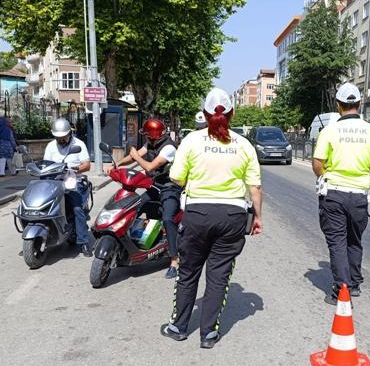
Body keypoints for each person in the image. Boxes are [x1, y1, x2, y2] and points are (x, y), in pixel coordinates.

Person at [161, 88, 263, 349]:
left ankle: (179, 326)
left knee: (188, 272)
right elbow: (255, 188)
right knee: (218, 277)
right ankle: (208, 333)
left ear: (206, 114)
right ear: (232, 113)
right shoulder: (244, 145)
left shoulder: (192, 141)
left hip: (197, 215)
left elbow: (177, 178)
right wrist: (258, 217)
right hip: (232, 217)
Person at [312, 83, 370, 305]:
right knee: (354, 239)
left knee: (337, 242)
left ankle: (341, 291)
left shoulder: (329, 131)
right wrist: (360, 176)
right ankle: (355, 283)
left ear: (338, 105)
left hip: (334, 193)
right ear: (359, 104)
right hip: (360, 194)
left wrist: (327, 176)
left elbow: (317, 163)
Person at [113, 119, 181, 278]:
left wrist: (136, 156)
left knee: (168, 218)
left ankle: (174, 260)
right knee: (133, 206)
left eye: (146, 135)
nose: (145, 138)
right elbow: (133, 157)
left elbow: (150, 166)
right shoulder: (150, 143)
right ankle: (126, 245)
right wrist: (118, 165)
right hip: (154, 185)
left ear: (153, 136)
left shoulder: (169, 147)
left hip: (170, 187)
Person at [44, 117, 93, 256]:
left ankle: (83, 242)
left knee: (77, 209)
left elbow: (87, 165)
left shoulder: (79, 144)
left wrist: (74, 169)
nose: (61, 140)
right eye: (58, 137)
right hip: (55, 182)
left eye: (63, 137)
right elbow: (46, 164)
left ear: (69, 134)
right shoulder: (50, 146)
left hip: (73, 181)